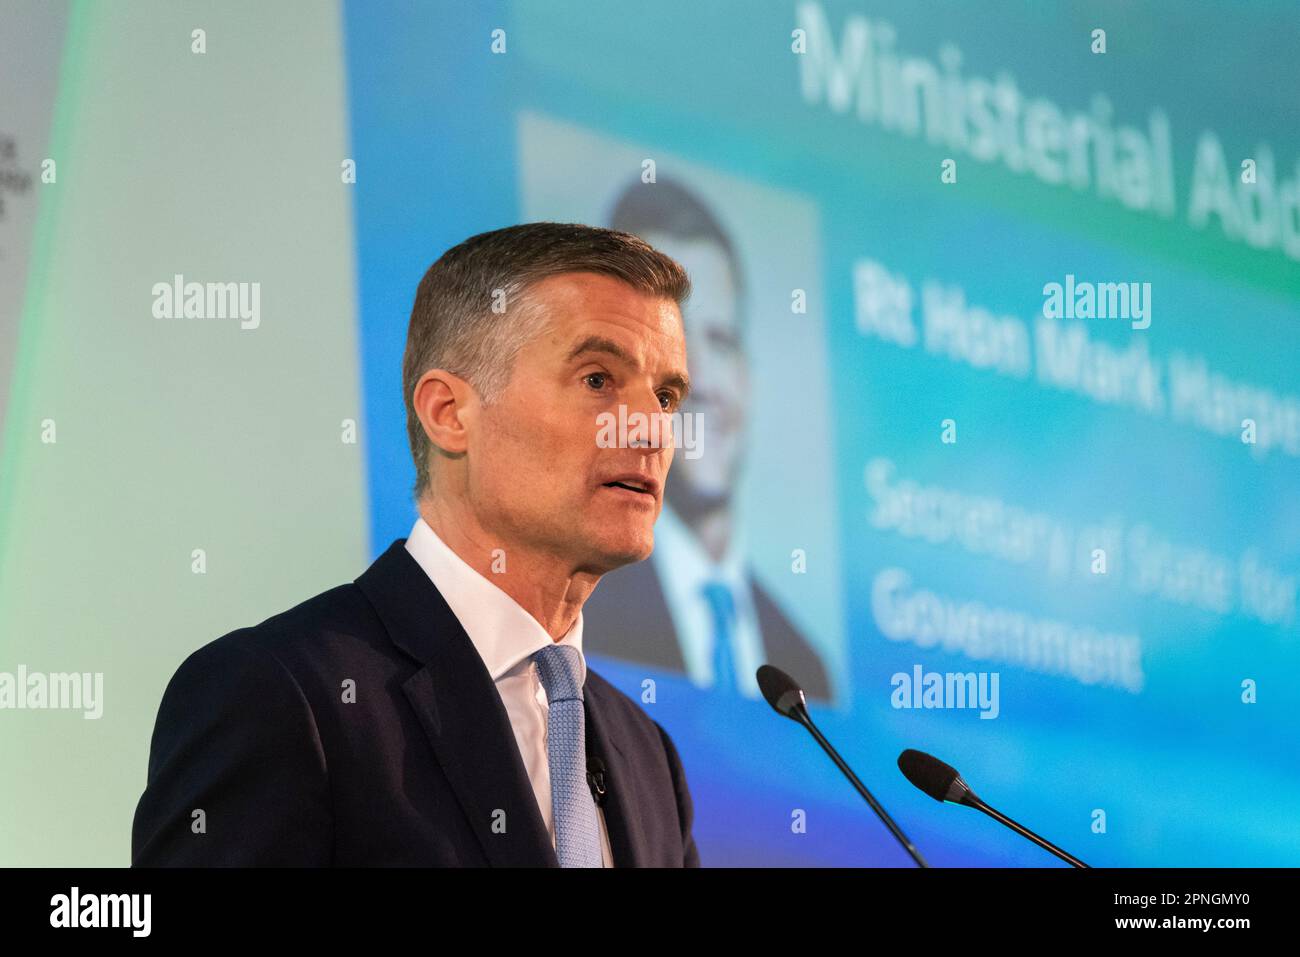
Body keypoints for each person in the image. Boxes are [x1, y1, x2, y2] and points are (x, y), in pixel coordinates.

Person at [131, 222, 700, 866]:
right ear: (449, 414)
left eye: (666, 396)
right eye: (598, 380)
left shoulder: (648, 756)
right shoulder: (283, 695)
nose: (650, 428)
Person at [582, 179, 832, 702]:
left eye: (721, 342)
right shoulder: (575, 624)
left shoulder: (807, 671)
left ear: (749, 374)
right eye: (670, 348)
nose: (703, 383)